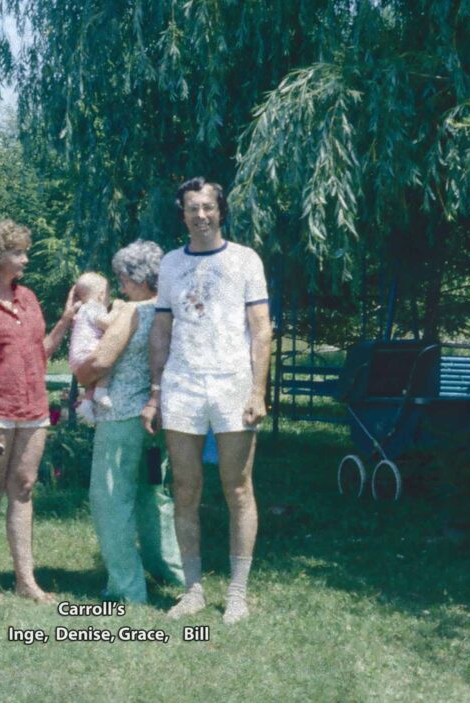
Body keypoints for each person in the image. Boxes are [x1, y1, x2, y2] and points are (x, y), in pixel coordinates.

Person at [141, 177, 272, 624]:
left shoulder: (244, 261)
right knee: (185, 489)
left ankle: (237, 592)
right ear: (182, 213)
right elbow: (161, 331)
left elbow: (261, 330)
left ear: (221, 211)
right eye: (192, 208)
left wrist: (257, 390)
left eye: (208, 207)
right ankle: (193, 589)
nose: (200, 215)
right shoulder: (171, 265)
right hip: (183, 385)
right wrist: (156, 393)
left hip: (233, 383)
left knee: (237, 488)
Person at [0, 220, 78, 603]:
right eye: (18, 252)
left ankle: (26, 580)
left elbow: (40, 353)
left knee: (23, 489)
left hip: (33, 411)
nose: (25, 258)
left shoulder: (30, 298)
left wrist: (66, 321)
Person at [73, 240, 184, 604]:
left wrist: (80, 373)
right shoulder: (169, 310)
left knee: (110, 500)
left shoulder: (130, 311)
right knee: (153, 496)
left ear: (139, 277)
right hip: (155, 420)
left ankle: (127, 587)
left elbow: (102, 361)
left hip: (120, 416)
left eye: (122, 277)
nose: (119, 285)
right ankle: (170, 571)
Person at [68, 271, 119, 423]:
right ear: (101, 295)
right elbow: (107, 324)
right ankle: (101, 393)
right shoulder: (94, 307)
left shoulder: (81, 310)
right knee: (110, 360)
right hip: (88, 354)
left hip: (76, 359)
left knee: (92, 382)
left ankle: (86, 404)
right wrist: (116, 310)